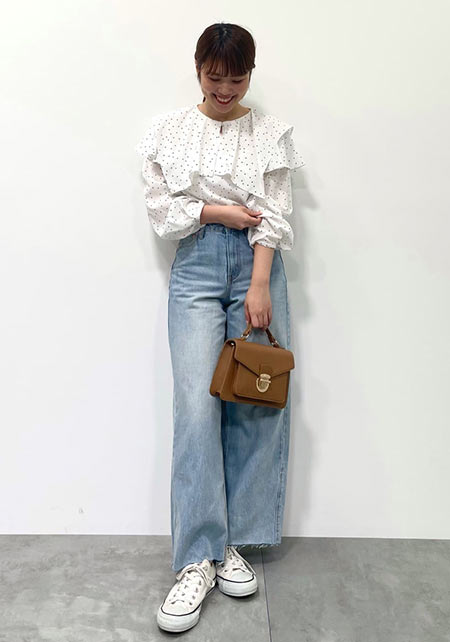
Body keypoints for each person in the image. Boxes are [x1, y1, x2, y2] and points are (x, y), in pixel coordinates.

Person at [135, 22, 305, 634]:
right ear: (198, 68)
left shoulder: (269, 133)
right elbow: (163, 211)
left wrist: (259, 283)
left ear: (250, 74)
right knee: (196, 404)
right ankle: (197, 557)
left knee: (254, 401)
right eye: (214, 77)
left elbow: (275, 213)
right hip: (198, 264)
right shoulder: (169, 130)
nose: (225, 89)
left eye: (236, 78)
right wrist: (217, 211)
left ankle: (233, 543)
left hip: (257, 267)